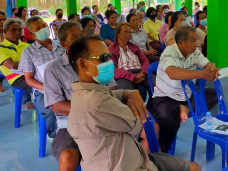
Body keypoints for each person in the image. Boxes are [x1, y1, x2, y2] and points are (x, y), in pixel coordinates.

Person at [67, 36, 199, 171]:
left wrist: (130, 93)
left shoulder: (82, 93)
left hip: (133, 156)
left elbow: (114, 94)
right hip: (127, 166)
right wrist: (132, 99)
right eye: (103, 58)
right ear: (82, 64)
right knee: (194, 168)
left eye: (109, 57)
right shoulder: (97, 102)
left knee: (193, 167)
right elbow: (137, 125)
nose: (109, 62)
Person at [44, 22, 117, 171]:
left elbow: (112, 89)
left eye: (81, 35)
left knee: (146, 129)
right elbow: (57, 105)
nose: (80, 40)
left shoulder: (99, 60)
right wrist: (91, 109)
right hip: (71, 123)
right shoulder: (54, 68)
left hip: (104, 117)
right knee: (68, 157)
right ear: (64, 43)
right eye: (74, 37)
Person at [150, 26, 219, 153]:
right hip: (166, 96)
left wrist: (211, 69)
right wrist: (203, 74)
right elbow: (173, 73)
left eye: (196, 40)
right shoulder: (169, 53)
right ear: (181, 42)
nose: (196, 44)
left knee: (215, 95)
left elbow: (206, 64)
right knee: (168, 122)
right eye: (193, 41)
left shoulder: (194, 52)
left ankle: (185, 106)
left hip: (187, 93)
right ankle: (161, 154)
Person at [19, 16, 66, 138]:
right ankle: (57, 137)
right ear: (31, 33)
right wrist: (47, 87)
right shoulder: (28, 52)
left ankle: (75, 133)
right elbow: (28, 79)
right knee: (51, 110)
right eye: (38, 28)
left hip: (66, 86)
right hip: (44, 91)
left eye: (44, 26)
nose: (43, 29)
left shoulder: (61, 46)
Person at [0, 18, 34, 109]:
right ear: (5, 31)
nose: (17, 32)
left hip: (31, 73)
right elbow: (11, 65)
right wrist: (31, 62)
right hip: (17, 78)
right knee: (44, 88)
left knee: (53, 83)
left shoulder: (26, 46)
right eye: (13, 29)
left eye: (20, 29)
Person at [109, 22, 151, 100]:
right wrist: (131, 76)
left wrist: (144, 72)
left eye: (130, 32)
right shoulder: (111, 50)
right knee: (125, 94)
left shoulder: (134, 47)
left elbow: (145, 60)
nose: (129, 34)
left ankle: (154, 108)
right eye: (125, 32)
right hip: (124, 75)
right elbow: (113, 69)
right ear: (117, 34)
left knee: (157, 86)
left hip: (140, 72)